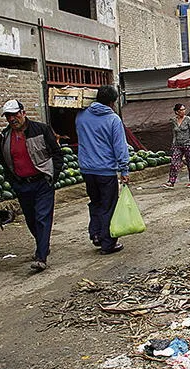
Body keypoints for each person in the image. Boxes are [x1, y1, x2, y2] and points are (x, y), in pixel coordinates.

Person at [0, 99, 63, 271]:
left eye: (15, 114)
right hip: (22, 185)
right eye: (9, 116)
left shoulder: (41, 130)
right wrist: (13, 182)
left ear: (23, 113)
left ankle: (41, 257)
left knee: (42, 217)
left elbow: (57, 154)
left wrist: (52, 176)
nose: (12, 119)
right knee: (31, 220)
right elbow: (4, 163)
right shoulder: (4, 137)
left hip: (42, 182)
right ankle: (43, 245)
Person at [76, 85, 129, 255]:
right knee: (108, 206)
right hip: (105, 171)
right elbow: (120, 147)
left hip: (87, 169)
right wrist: (124, 170)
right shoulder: (113, 120)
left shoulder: (81, 116)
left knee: (95, 203)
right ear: (113, 102)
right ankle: (108, 244)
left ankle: (96, 235)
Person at [162, 103, 190, 188]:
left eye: (184, 109)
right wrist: (173, 144)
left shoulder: (188, 119)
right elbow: (174, 133)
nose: (183, 111)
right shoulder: (174, 120)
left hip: (187, 144)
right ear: (177, 111)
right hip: (178, 145)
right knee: (174, 162)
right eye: (181, 110)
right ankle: (171, 182)